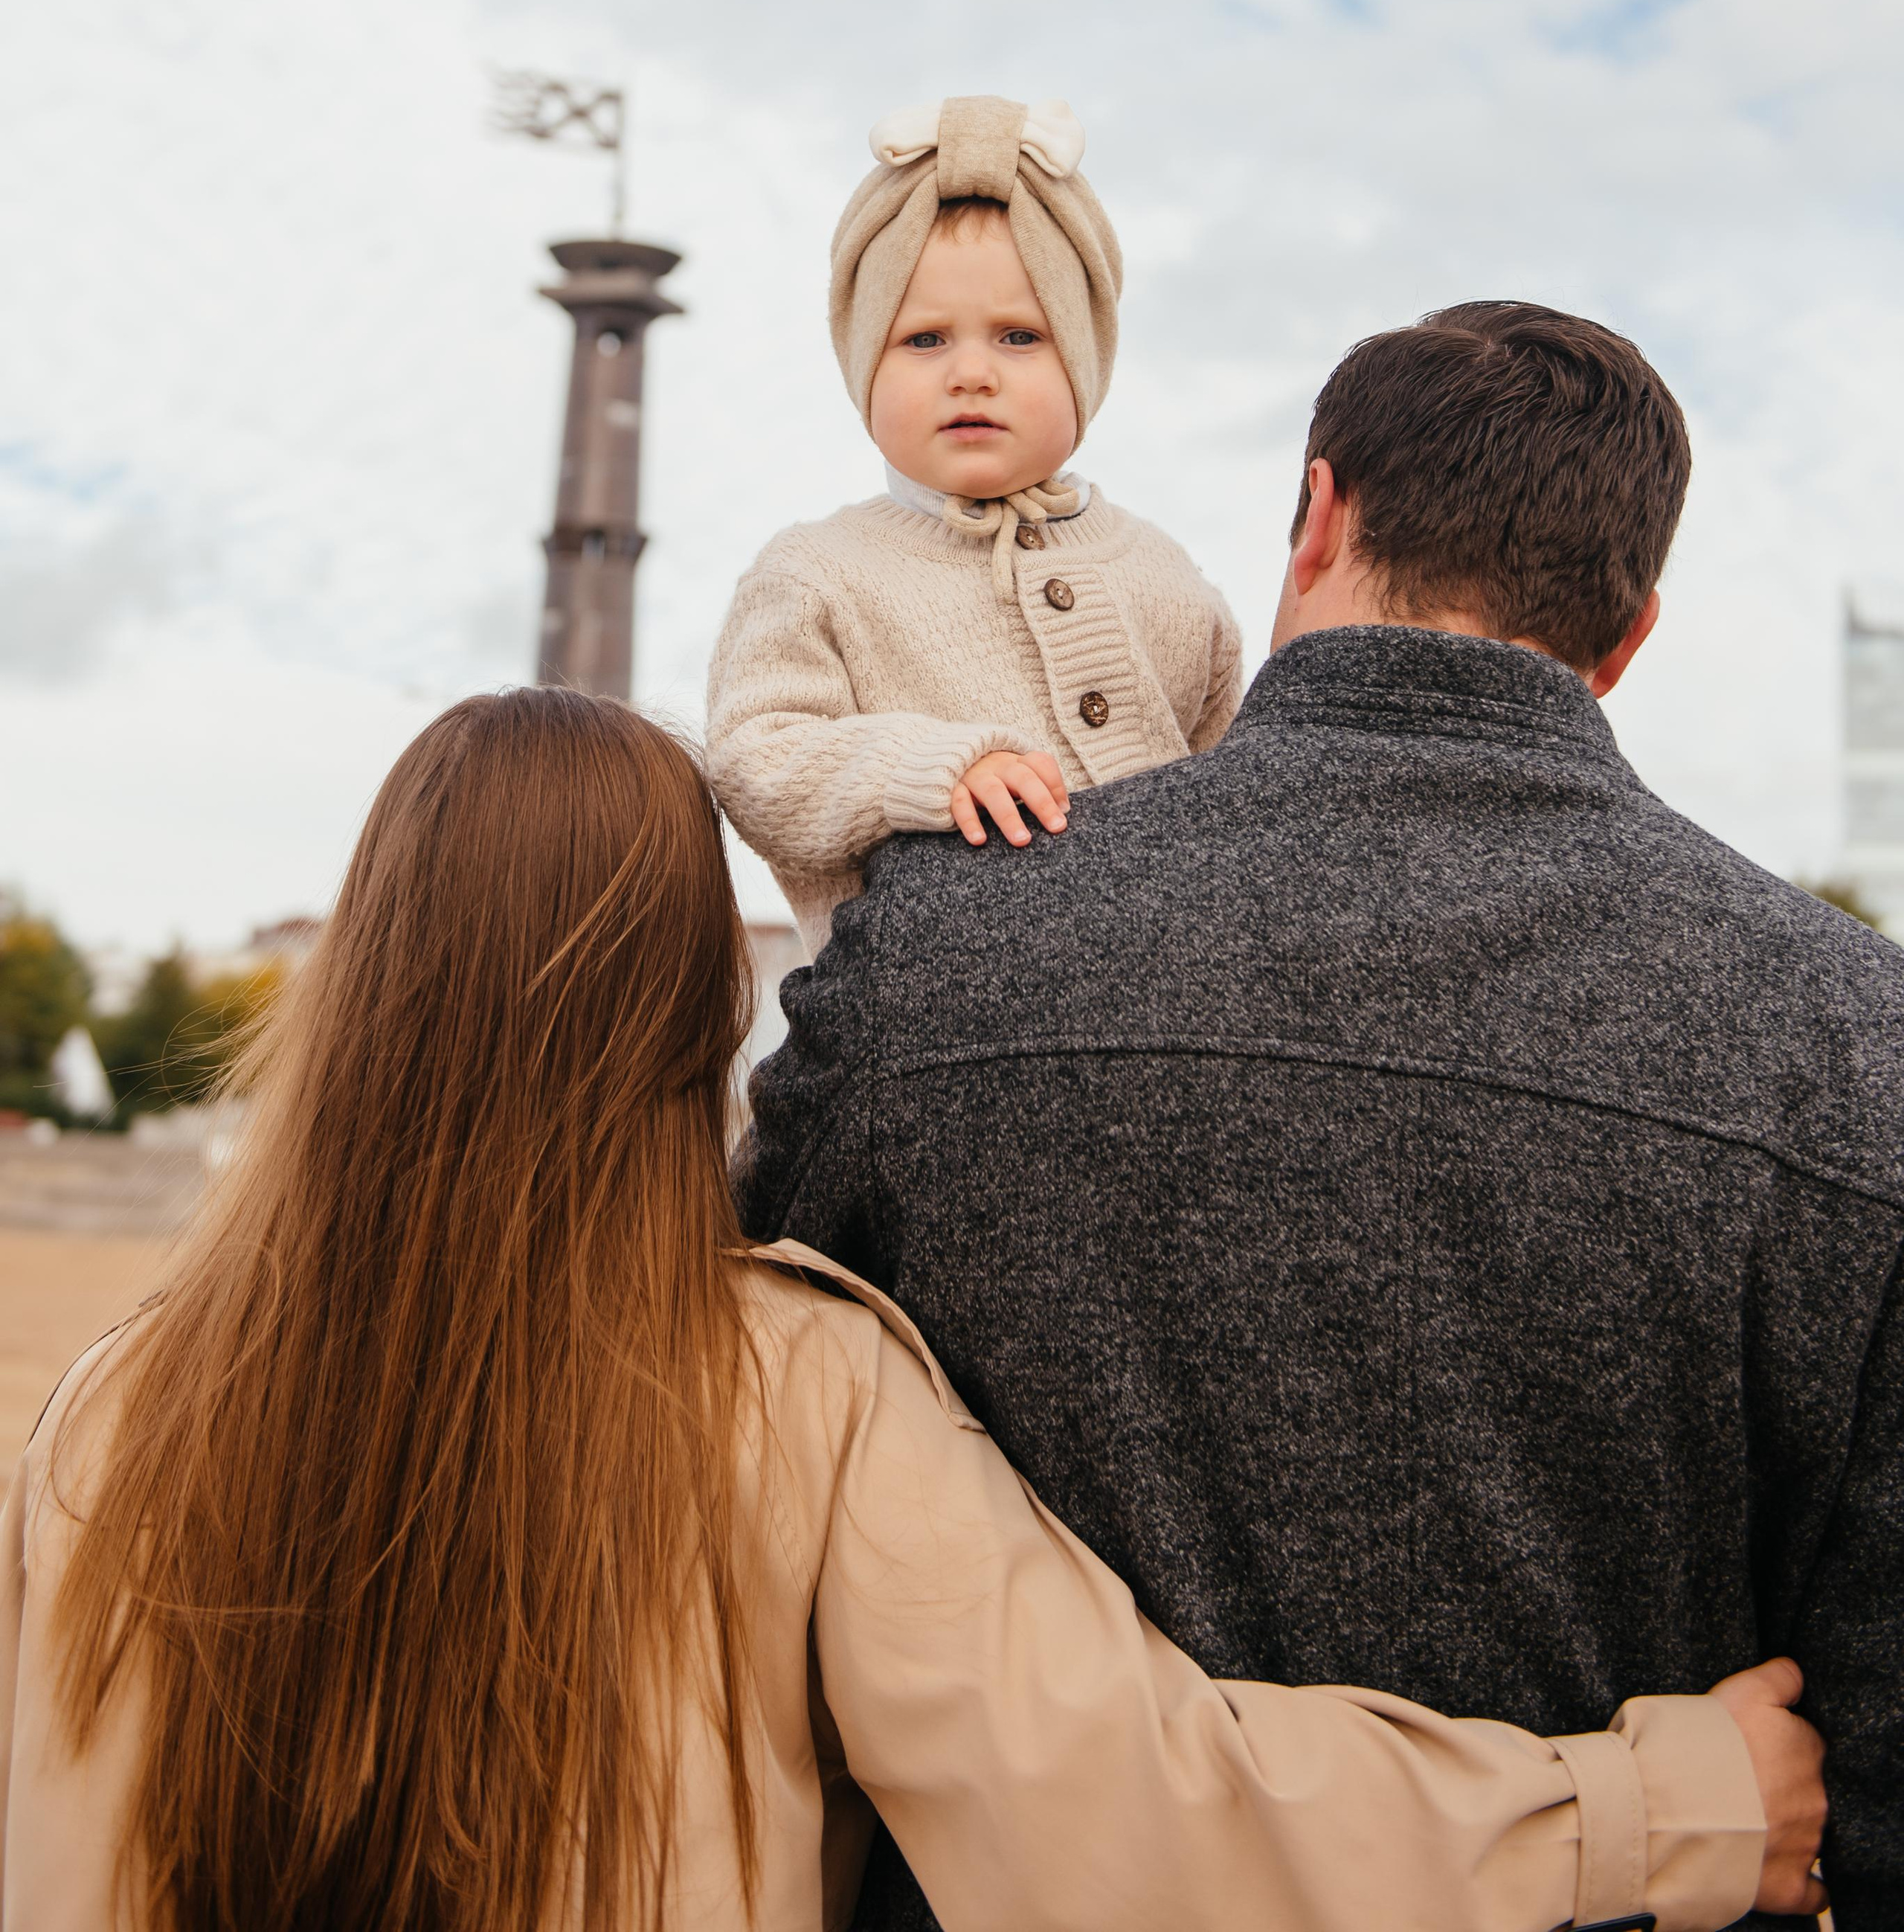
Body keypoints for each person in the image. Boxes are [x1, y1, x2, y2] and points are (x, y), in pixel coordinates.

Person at [0, 690, 1815, 1932]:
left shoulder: (99, 1415)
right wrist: (1667, 1796)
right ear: (688, 1004)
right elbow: (1137, 1815)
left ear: (360, 975)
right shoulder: (780, 1390)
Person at [736, 299, 1902, 1931]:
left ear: (1315, 516)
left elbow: (736, 1484)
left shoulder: (935, 955)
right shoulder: (1853, 1046)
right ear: (1629, 631)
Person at [707, 94, 1240, 954]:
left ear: (1087, 359)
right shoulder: (816, 571)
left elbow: (1228, 792)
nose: (971, 373)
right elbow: (758, 762)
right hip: (916, 1028)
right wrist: (930, 768)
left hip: (1171, 1024)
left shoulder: (1166, 575)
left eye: (1020, 337)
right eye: (922, 341)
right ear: (860, 363)